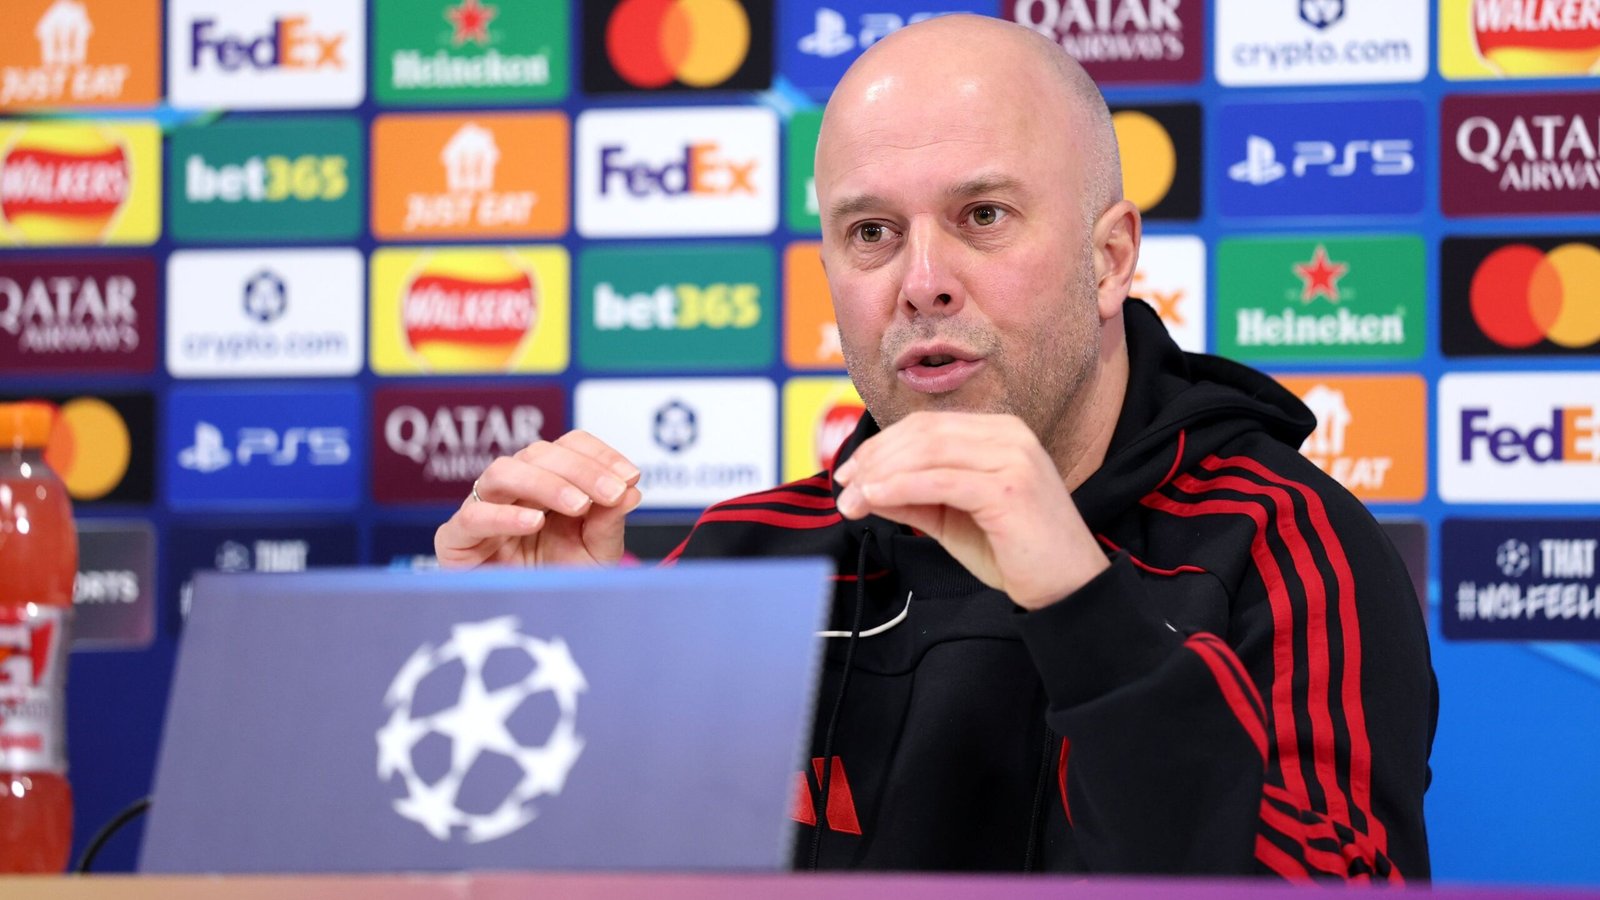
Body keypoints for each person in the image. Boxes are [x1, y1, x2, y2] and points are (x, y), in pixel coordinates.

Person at [435, 15, 1436, 880]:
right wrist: (558, 671)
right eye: (871, 232)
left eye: (982, 216)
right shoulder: (749, 558)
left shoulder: (1281, 542)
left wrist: (1084, 611)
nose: (922, 282)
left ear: (1111, 256)